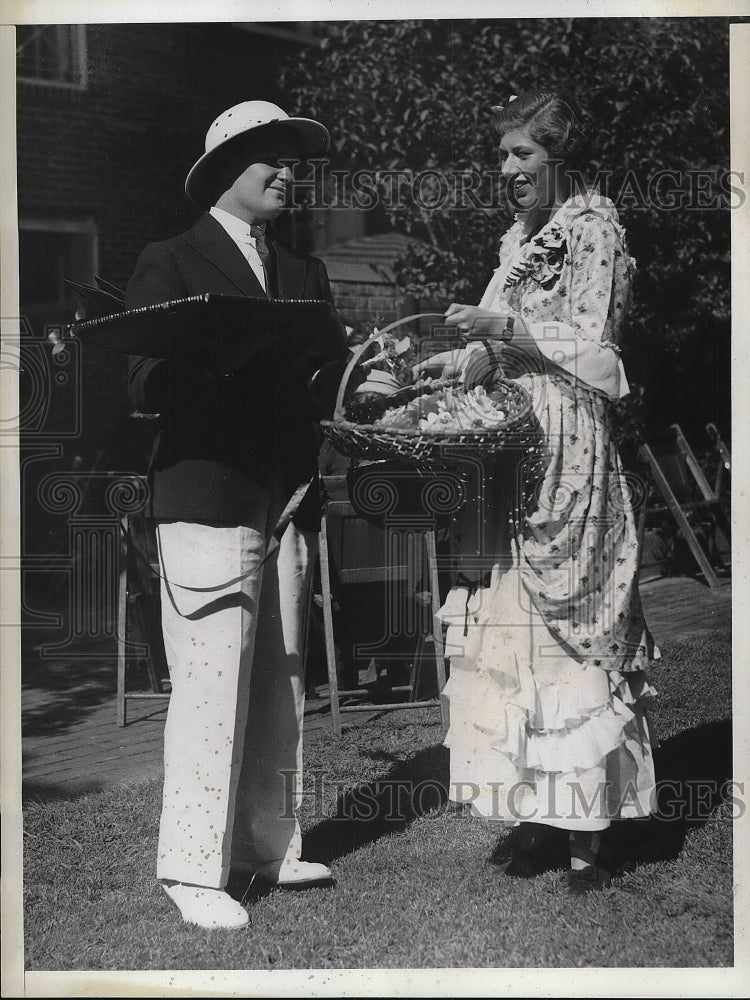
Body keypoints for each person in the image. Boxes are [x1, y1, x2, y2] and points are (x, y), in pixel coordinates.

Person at [428, 91, 657, 892]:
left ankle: (590, 836)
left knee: (571, 628)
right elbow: (491, 347)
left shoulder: (593, 228)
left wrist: (504, 334)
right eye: (501, 156)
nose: (508, 170)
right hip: (511, 444)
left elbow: (598, 354)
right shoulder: (519, 241)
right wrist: (451, 366)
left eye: (522, 154)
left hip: (567, 441)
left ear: (560, 156)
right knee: (512, 624)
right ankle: (537, 814)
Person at [125, 101, 345, 928]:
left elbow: (323, 388)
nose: (287, 172)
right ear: (225, 170)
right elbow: (139, 383)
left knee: (282, 684)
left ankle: (267, 847)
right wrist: (215, 358)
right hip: (205, 497)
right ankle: (191, 868)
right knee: (211, 685)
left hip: (282, 500)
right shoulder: (171, 259)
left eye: (293, 160)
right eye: (270, 158)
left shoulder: (304, 273)